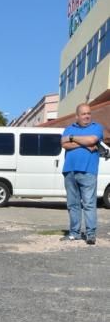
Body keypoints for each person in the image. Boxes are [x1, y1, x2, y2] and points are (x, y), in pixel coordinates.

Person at [61, 103, 104, 245]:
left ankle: (90, 234)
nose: (87, 116)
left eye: (89, 113)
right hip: (70, 171)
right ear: (77, 116)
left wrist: (73, 139)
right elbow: (64, 143)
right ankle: (74, 233)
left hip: (88, 171)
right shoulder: (69, 128)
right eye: (84, 114)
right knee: (73, 204)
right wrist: (83, 142)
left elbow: (92, 140)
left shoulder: (96, 127)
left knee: (89, 204)